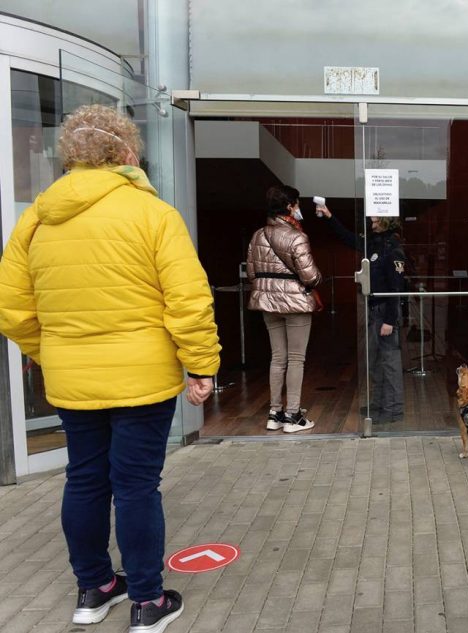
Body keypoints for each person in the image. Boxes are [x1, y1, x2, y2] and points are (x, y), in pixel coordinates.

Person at [0, 104, 220, 632]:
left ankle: (93, 590)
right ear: (126, 154)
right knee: (137, 485)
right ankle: (146, 600)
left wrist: (51, 352)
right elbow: (187, 300)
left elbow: (13, 309)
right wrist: (200, 367)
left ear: (70, 157)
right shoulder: (153, 215)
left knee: (84, 480)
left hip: (73, 379)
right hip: (142, 377)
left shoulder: (36, 220)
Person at [317, 204, 406, 423]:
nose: (371, 216)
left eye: (376, 214)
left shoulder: (392, 247)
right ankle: (378, 404)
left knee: (390, 362)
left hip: (385, 311)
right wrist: (330, 216)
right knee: (376, 360)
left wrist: (390, 321)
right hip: (375, 309)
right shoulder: (375, 243)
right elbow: (348, 238)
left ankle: (393, 409)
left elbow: (397, 288)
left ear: (385, 218)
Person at [246, 185, 322, 433]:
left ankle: (275, 413)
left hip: (268, 302)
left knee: (278, 358)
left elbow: (251, 272)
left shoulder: (258, 235)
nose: (299, 208)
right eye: (297, 204)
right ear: (290, 206)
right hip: (295, 303)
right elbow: (310, 276)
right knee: (296, 359)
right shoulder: (297, 236)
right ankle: (293, 416)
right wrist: (318, 278)